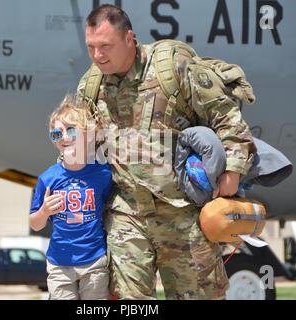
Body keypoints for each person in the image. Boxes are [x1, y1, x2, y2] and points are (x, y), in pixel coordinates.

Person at [77, 4, 256, 299]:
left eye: (105, 46)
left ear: (128, 38)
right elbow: (78, 144)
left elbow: (226, 116)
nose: (98, 55)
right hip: (127, 215)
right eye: (91, 47)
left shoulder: (172, 66)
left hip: (184, 215)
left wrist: (233, 171)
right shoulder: (92, 84)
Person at [29, 95, 113, 300]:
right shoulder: (48, 178)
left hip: (94, 261)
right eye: (57, 134)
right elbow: (35, 224)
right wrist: (44, 211)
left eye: (71, 130)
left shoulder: (103, 174)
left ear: (89, 135)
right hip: (59, 263)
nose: (64, 137)